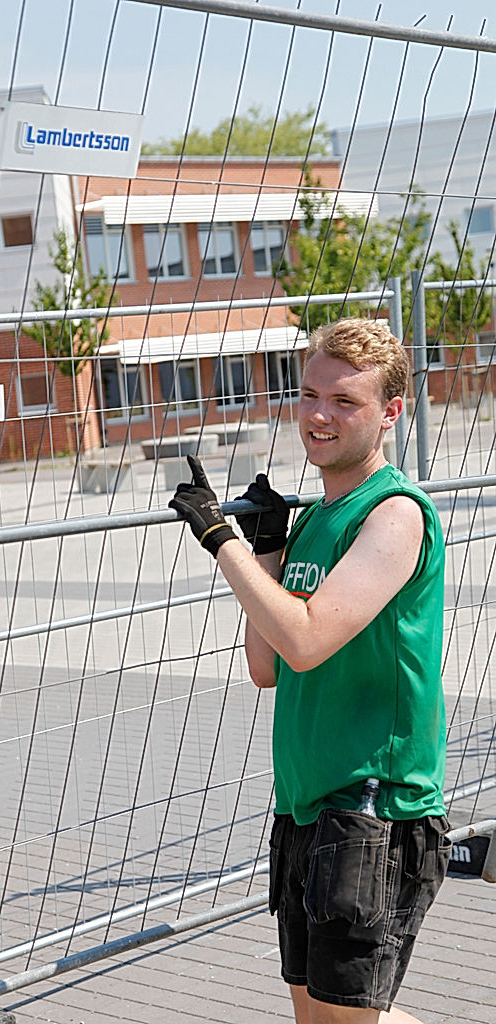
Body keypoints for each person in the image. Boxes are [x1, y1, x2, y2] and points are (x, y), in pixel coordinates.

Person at [169, 318, 450, 1024]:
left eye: (345, 401)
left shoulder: (392, 515)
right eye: (309, 395)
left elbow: (306, 641)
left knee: (349, 1020)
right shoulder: (316, 520)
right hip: (304, 805)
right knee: (322, 1018)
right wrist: (264, 549)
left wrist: (219, 541)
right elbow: (266, 664)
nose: (319, 415)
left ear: (389, 413)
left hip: (372, 809)